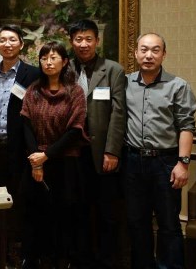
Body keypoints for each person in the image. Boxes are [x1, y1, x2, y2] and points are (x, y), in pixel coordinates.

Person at [125, 33, 196, 269]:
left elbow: (186, 126)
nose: (149, 55)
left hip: (165, 162)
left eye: (155, 50)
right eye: (144, 50)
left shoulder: (178, 85)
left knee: (168, 224)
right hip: (132, 161)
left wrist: (183, 163)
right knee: (137, 222)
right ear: (136, 53)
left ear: (164, 54)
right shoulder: (124, 83)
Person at [20, 40, 88, 269]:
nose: (48, 62)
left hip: (66, 161)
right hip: (36, 161)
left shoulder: (75, 91)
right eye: (44, 58)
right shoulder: (33, 90)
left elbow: (75, 130)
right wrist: (36, 161)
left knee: (65, 213)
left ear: (65, 61)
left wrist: (46, 155)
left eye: (53, 58)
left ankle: (63, 259)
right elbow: (26, 125)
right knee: (37, 213)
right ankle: (37, 258)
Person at [0, 24, 40, 266]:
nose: (7, 44)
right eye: (2, 40)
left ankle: (21, 253)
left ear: (21, 44)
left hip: (20, 150)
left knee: (20, 203)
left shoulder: (32, 74)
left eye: (12, 40)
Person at [69, 19, 127, 268]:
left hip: (102, 152)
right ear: (71, 42)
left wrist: (112, 151)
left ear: (97, 41)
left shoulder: (113, 70)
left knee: (106, 213)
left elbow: (119, 113)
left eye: (88, 39)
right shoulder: (65, 69)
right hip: (72, 153)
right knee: (77, 210)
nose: (84, 44)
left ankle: (106, 261)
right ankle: (80, 260)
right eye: (78, 39)